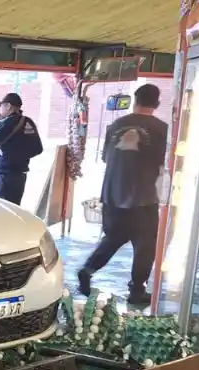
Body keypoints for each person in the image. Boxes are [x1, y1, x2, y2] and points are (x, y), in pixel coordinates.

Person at [78, 83, 168, 306]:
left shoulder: (116, 125)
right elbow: (162, 162)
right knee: (145, 245)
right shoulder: (161, 129)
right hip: (143, 196)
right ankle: (137, 290)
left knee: (114, 237)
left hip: (112, 194)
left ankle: (87, 270)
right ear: (157, 103)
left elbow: (106, 157)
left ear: (135, 100)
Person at [0, 93, 43, 205]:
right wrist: (20, 156)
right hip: (21, 173)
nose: (1, 110)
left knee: (3, 208)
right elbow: (38, 148)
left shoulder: (6, 123)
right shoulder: (28, 122)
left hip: (6, 174)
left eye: (2, 106)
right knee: (15, 206)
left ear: (8, 106)